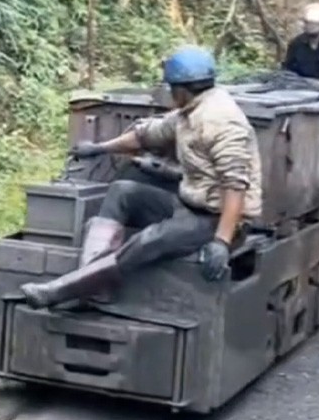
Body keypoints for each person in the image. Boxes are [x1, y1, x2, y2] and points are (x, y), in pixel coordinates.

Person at [19, 45, 263, 309]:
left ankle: (60, 291)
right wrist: (99, 148)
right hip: (190, 205)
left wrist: (222, 241)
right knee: (123, 191)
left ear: (181, 90)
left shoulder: (221, 121)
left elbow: (235, 185)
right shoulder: (189, 113)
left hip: (217, 220)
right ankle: (93, 286)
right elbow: (146, 135)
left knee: (150, 239)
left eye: (171, 89)